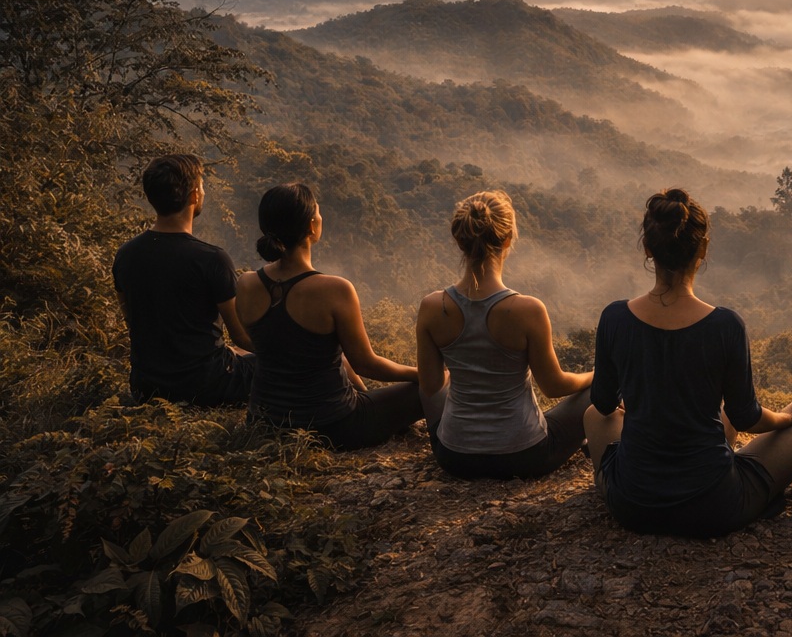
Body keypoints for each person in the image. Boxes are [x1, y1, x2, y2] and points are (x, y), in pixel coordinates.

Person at [584, 188, 792, 538]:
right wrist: (787, 417)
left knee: (592, 417)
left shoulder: (615, 318)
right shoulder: (725, 326)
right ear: (703, 250)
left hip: (634, 504)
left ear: (647, 248)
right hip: (714, 505)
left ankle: (619, 484)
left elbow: (602, 404)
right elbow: (746, 417)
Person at [417, 190, 593, 480]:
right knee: (600, 389)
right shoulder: (526, 309)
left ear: (460, 241)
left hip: (454, 455)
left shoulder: (433, 306)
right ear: (508, 239)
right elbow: (554, 385)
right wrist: (596, 374)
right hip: (524, 455)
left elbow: (431, 384)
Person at [235, 182, 422, 450]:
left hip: (264, 422)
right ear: (312, 226)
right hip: (333, 426)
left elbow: (279, 344)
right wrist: (425, 374)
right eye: (319, 213)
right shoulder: (335, 290)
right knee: (431, 388)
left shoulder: (246, 283)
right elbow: (366, 364)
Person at [113, 153, 256, 406]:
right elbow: (241, 335)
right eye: (202, 185)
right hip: (208, 384)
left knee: (237, 355)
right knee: (281, 369)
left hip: (146, 387)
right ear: (193, 195)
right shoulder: (211, 259)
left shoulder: (125, 255)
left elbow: (133, 323)